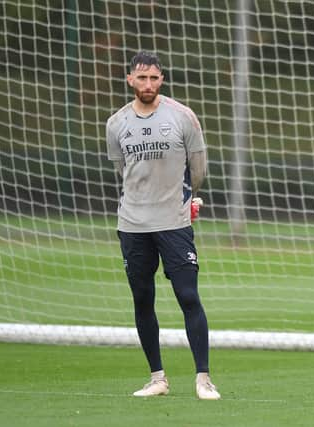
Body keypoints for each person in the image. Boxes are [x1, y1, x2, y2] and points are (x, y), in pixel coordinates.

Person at [106, 51, 220, 400]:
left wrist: (185, 199)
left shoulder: (183, 117)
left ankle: (204, 379)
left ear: (162, 79)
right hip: (133, 224)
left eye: (154, 78)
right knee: (143, 299)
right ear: (130, 80)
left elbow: (198, 170)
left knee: (188, 295)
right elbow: (122, 172)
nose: (148, 84)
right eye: (142, 78)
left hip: (174, 222)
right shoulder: (116, 123)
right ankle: (157, 378)